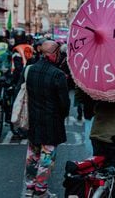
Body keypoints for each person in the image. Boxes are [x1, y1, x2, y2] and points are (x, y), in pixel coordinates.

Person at [22, 40, 70, 197]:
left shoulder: (30, 70)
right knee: (47, 158)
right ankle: (41, 189)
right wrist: (62, 116)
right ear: (54, 53)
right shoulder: (58, 75)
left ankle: (29, 188)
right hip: (51, 122)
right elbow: (64, 104)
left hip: (34, 120)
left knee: (32, 156)